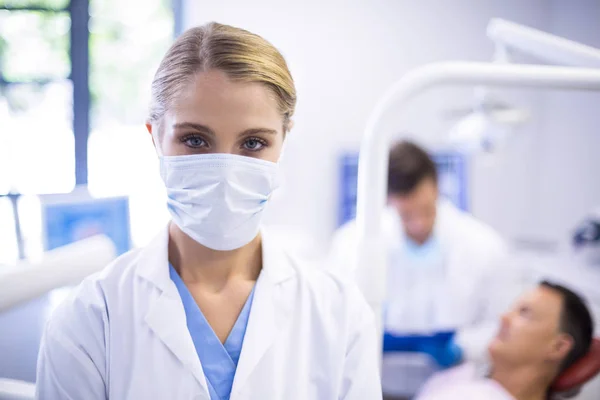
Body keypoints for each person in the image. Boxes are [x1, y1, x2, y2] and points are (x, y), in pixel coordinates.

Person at [36, 22, 382, 400]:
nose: (224, 170)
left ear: (283, 142)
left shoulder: (339, 315)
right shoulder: (90, 320)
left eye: (252, 143)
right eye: (195, 140)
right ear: (155, 137)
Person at [329, 140, 521, 398]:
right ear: (387, 199)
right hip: (375, 385)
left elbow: (503, 326)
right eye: (407, 215)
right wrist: (365, 335)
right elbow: (333, 317)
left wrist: (462, 346)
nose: (418, 224)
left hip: (454, 388)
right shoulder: (353, 243)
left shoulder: (485, 246)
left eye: (425, 210)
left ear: (436, 185)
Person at [417, 281, 595, 400]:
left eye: (524, 313)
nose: (504, 317)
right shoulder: (462, 377)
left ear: (557, 347)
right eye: (512, 309)